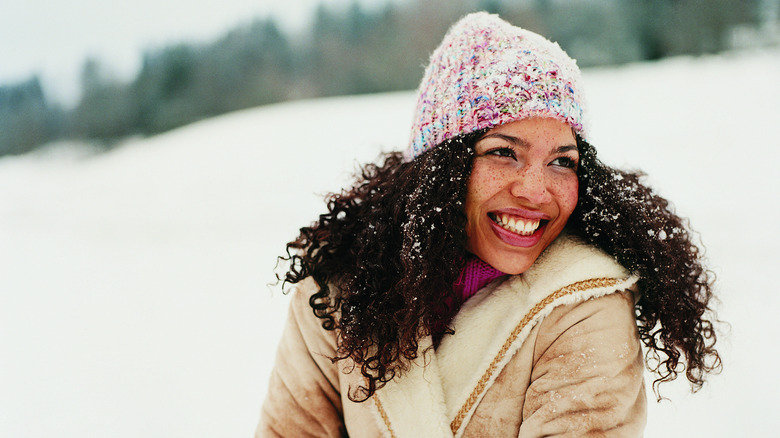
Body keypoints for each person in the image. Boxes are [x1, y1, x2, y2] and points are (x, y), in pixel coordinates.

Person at [256, 12, 721, 437]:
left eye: (562, 161)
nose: (536, 191)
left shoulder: (584, 303)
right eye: (503, 152)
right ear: (440, 169)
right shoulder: (341, 289)